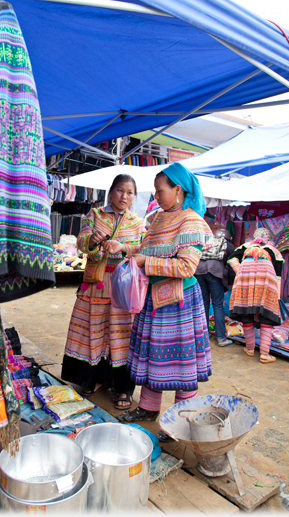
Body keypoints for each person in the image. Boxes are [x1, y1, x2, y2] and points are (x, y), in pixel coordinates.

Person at [117, 162, 213, 432]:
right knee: (153, 356)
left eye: (160, 191)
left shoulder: (191, 221)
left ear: (178, 190)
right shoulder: (158, 218)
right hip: (155, 300)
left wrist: (144, 261)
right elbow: (149, 247)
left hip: (180, 303)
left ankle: (182, 421)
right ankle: (148, 409)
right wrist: (125, 248)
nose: (156, 196)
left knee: (181, 362)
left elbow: (186, 267)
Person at [61, 174, 145, 410]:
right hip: (95, 285)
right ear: (111, 191)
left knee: (121, 336)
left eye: (129, 192)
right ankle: (94, 380)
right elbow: (81, 242)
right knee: (92, 331)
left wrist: (124, 247)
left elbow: (143, 248)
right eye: (120, 190)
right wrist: (92, 240)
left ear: (133, 196)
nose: (124, 196)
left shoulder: (138, 222)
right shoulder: (95, 215)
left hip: (123, 288)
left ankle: (122, 389)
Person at [227, 227, 284, 363]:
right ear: (268, 239)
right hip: (266, 281)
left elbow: (231, 260)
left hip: (245, 279)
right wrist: (276, 296)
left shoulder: (245, 247)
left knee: (246, 313)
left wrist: (240, 270)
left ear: (254, 237)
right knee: (266, 315)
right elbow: (277, 276)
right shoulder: (274, 251)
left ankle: (250, 349)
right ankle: (265, 354)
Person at [195, 227, 235, 347]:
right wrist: (230, 282)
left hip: (199, 272)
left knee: (204, 304)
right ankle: (221, 338)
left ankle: (204, 335)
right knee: (218, 304)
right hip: (215, 273)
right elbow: (232, 265)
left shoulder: (207, 241)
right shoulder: (228, 245)